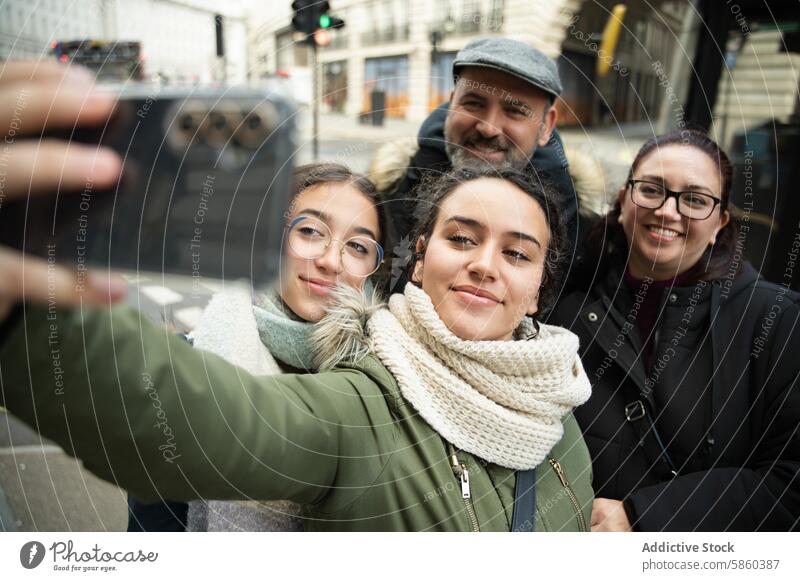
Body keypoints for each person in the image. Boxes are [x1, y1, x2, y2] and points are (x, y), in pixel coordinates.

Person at [0, 58, 593, 528]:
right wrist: (25, 314)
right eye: (462, 238)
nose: (486, 265)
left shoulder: (560, 411)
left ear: (543, 288)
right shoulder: (363, 403)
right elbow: (197, 421)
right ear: (417, 261)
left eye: (518, 253)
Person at [548, 129, 800, 531]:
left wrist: (640, 518)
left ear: (719, 223)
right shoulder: (568, 310)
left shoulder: (777, 321)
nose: (668, 210)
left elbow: (791, 481)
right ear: (623, 198)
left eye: (696, 200)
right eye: (651, 189)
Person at [127, 162, 386, 532]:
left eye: (357, 246)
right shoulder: (184, 372)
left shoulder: (378, 389)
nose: (331, 261)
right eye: (310, 230)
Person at [372, 37, 579, 292]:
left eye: (515, 110)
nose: (488, 128)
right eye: (473, 104)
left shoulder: (584, 239)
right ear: (451, 104)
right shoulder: (378, 209)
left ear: (546, 126)